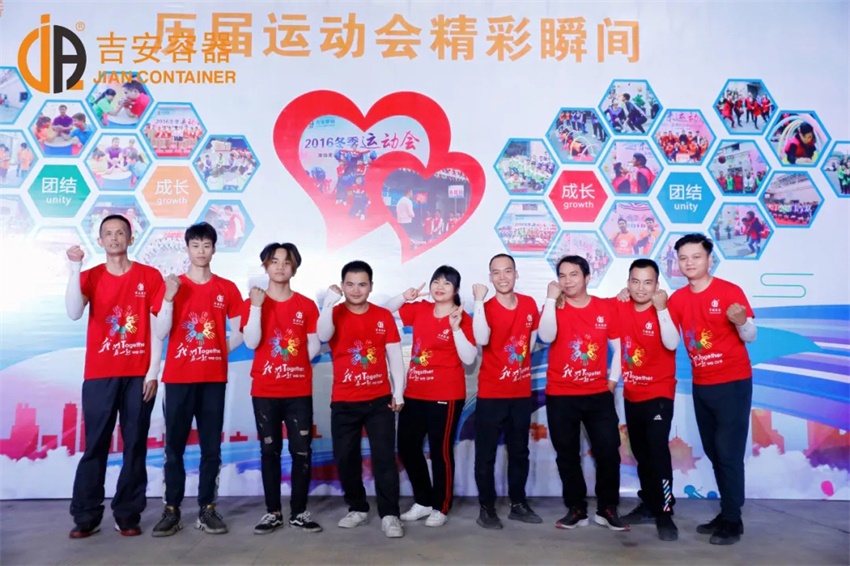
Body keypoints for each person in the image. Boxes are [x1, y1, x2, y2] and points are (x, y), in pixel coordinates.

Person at [65, 214, 164, 538]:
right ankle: (86, 515)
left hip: (138, 376)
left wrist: (152, 372)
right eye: (108, 233)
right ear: (100, 240)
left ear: (130, 238)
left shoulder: (149, 276)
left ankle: (128, 513)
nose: (114, 238)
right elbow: (73, 312)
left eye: (120, 232)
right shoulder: (91, 276)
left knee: (135, 445)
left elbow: (157, 327)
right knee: (95, 444)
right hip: (99, 374)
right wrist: (74, 268)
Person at [151, 222, 244, 537]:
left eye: (206, 245)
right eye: (195, 245)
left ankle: (207, 508)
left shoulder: (226, 288)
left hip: (213, 379)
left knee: (211, 448)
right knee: (174, 448)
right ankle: (171, 510)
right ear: (187, 248)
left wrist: (218, 349)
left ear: (214, 249)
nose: (201, 251)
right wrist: (169, 298)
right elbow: (160, 331)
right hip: (178, 379)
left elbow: (240, 331)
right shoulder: (173, 286)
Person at [667, 233, 757, 545]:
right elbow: (665, 333)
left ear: (709, 259)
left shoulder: (729, 291)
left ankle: (732, 519)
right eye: (683, 258)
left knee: (728, 451)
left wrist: (741, 321)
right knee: (713, 450)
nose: (689, 263)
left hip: (733, 383)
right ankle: (728, 509)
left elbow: (750, 335)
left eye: (696, 256)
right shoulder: (678, 300)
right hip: (702, 384)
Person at [317, 261, 407, 538]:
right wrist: (328, 303)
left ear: (371, 286)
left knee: (384, 459)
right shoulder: (333, 314)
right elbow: (322, 335)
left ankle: (390, 514)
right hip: (344, 401)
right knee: (346, 458)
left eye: (362, 284)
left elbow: (395, 357)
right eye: (350, 284)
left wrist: (398, 392)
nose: (356, 290)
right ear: (342, 285)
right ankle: (357, 507)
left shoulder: (383, 316)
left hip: (379, 401)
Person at [537, 255, 627, 532]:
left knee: (608, 452)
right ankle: (576, 509)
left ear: (587, 277)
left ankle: (607, 508)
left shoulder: (604, 308)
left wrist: (612, 381)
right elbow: (546, 336)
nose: (567, 281)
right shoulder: (554, 306)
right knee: (567, 455)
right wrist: (550, 300)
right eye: (562, 276)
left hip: (598, 395)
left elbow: (619, 348)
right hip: (561, 394)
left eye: (574, 274)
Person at [384, 266, 476, 527]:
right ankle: (423, 501)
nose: (440, 287)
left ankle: (440, 506)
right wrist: (404, 296)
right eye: (436, 281)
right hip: (415, 393)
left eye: (446, 283)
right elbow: (385, 312)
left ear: (456, 290)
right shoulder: (421, 309)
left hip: (446, 396)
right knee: (407, 447)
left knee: (440, 451)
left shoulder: (461, 317)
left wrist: (456, 329)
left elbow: (469, 358)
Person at [241, 242, 323, 534]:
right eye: (274, 261)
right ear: (266, 266)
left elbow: (314, 345)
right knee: (269, 451)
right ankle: (272, 512)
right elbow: (251, 342)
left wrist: (295, 364)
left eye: (286, 262)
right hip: (265, 391)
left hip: (298, 391)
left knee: (301, 451)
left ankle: (299, 512)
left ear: (294, 269)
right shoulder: (253, 303)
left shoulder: (306, 305)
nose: (280, 267)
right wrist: (256, 306)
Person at [472, 254, 542, 529]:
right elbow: (481, 339)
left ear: (516, 274)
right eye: (496, 272)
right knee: (486, 455)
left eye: (507, 271)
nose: (502, 277)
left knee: (519, 452)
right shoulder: (486, 307)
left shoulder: (529, 304)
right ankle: (486, 508)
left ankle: (518, 504)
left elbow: (530, 342)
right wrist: (478, 301)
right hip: (491, 395)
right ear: (490, 277)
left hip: (520, 393)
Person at [614, 259, 680, 541]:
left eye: (647, 282)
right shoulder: (620, 306)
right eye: (635, 281)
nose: (641, 288)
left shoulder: (666, 308)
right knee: (641, 454)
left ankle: (665, 511)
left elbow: (672, 343)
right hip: (632, 395)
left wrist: (662, 309)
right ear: (628, 283)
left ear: (657, 285)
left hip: (659, 396)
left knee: (657, 453)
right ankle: (649, 504)